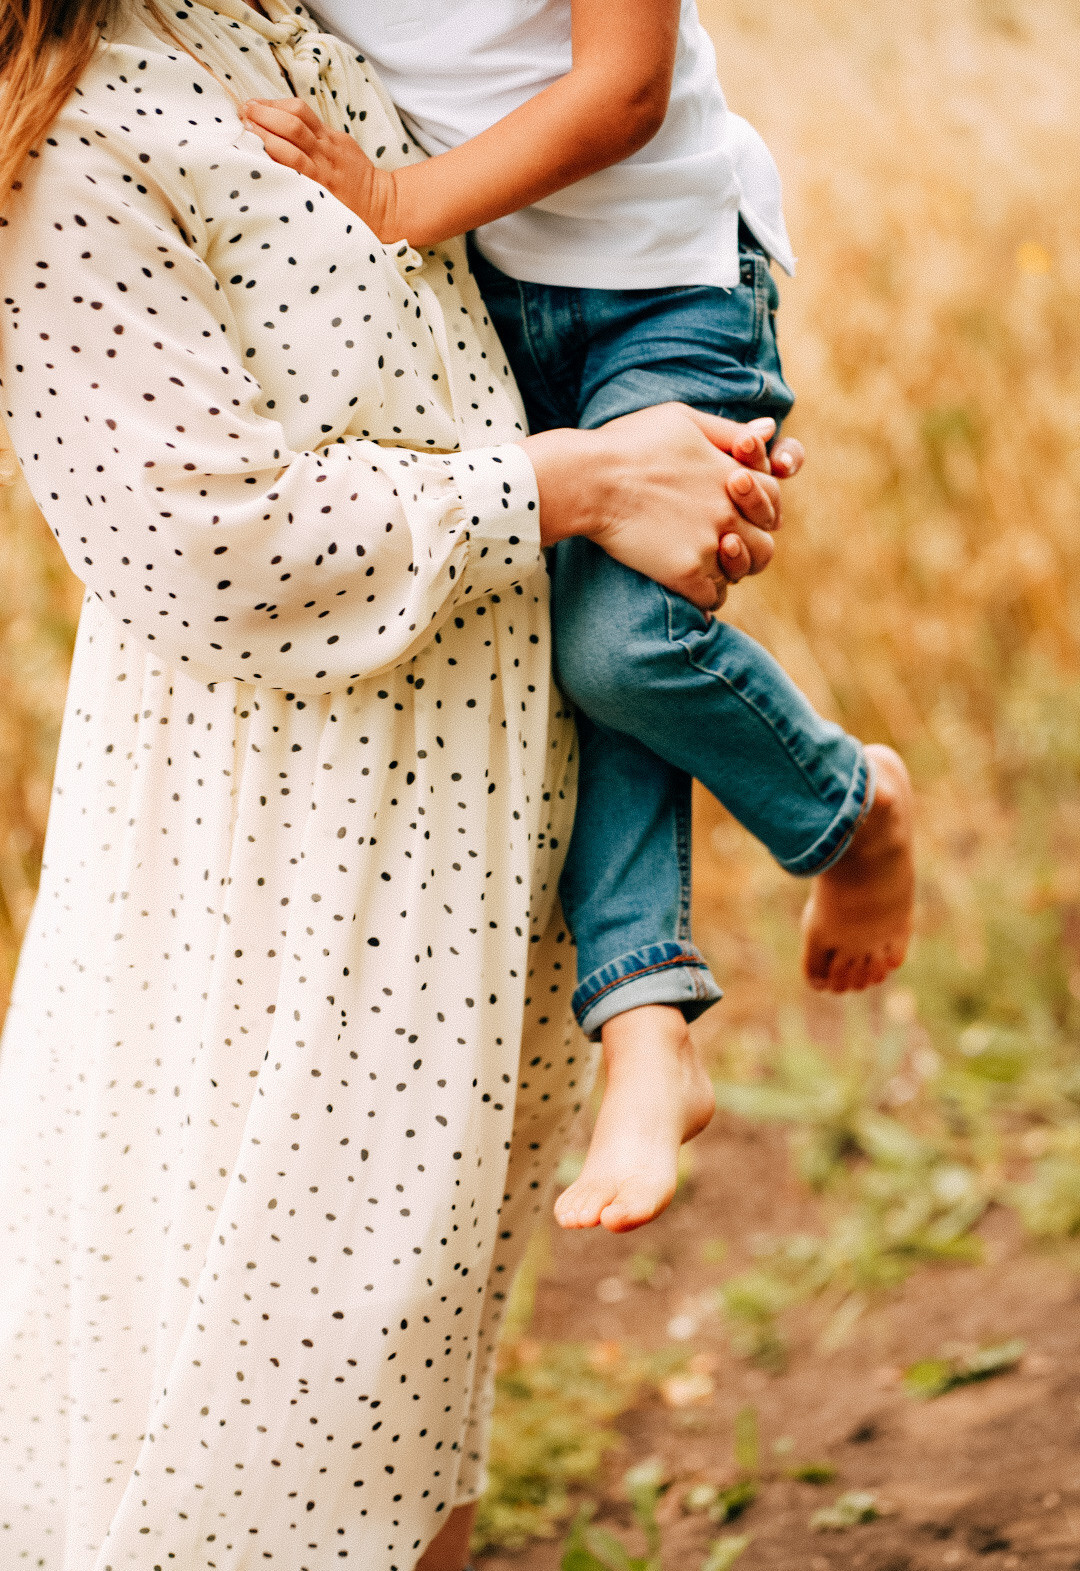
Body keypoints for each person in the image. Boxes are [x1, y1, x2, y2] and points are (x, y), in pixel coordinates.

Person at [0, 0, 789, 1571]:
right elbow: (216, 547)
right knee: (267, 1391)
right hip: (282, 865)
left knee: (406, 1380)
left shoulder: (279, 19)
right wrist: (585, 481)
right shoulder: (67, 138)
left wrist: (667, 446)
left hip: (462, 824)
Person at [239, 0, 918, 1238]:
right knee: (566, 655)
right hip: (481, 297)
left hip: (665, 285)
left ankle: (851, 806)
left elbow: (626, 90)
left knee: (625, 645)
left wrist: (395, 201)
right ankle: (647, 1038)